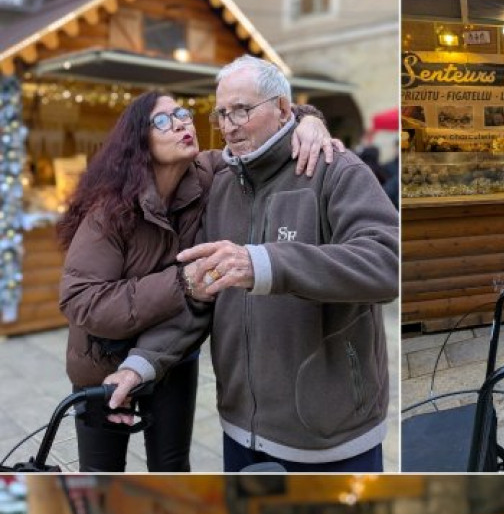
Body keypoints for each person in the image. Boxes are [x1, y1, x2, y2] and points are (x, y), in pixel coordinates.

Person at [106, 55, 399, 473]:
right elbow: (200, 294)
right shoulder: (220, 185)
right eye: (222, 112)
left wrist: (263, 264)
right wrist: (141, 364)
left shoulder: (334, 167)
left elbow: (387, 263)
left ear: (282, 109)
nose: (229, 124)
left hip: (329, 437)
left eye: (242, 109)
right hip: (240, 428)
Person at [58, 91, 334, 472]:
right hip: (103, 359)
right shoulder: (109, 210)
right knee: (101, 475)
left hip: (172, 350)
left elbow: (263, 134)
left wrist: (308, 119)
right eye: (162, 121)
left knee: (172, 468)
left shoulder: (209, 173)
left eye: (183, 114)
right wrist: (183, 283)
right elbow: (81, 301)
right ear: (139, 143)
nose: (182, 123)